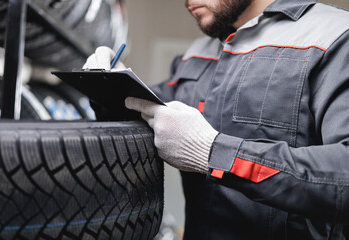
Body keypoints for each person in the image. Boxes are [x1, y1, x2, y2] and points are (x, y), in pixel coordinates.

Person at [83, 0, 349, 239]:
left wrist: (213, 152)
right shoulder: (197, 52)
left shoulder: (335, 36)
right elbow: (147, 116)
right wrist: (108, 87)